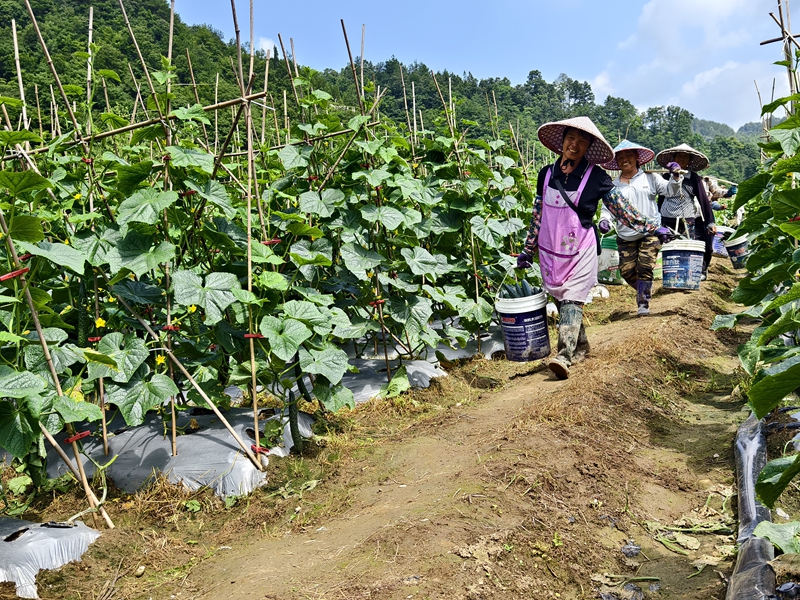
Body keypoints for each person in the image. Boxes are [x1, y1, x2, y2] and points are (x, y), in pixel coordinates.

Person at [516, 117, 669, 380]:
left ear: (588, 148)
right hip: (550, 250)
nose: (574, 145)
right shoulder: (546, 174)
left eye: (582, 141)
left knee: (573, 298)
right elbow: (538, 215)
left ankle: (564, 355)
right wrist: (528, 249)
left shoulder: (596, 177)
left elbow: (624, 211)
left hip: (580, 250)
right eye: (570, 139)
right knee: (561, 299)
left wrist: (652, 227)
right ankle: (581, 346)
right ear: (562, 141)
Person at [598, 141, 682, 316]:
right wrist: (604, 221)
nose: (624, 160)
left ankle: (643, 304)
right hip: (625, 236)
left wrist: (675, 177)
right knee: (627, 272)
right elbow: (608, 209)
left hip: (651, 232)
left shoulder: (650, 178)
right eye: (620, 157)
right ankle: (645, 289)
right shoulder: (613, 186)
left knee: (645, 266)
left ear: (637, 158)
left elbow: (670, 191)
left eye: (628, 155)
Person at [655, 144, 717, 280]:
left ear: (690, 161)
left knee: (689, 244)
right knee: (669, 245)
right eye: (679, 156)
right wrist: (657, 219)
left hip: (687, 217)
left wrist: (710, 221)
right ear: (673, 158)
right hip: (667, 216)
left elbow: (703, 199)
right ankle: (671, 274)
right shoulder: (666, 176)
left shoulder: (693, 178)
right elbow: (660, 199)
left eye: (685, 157)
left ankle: (693, 272)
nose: (682, 159)